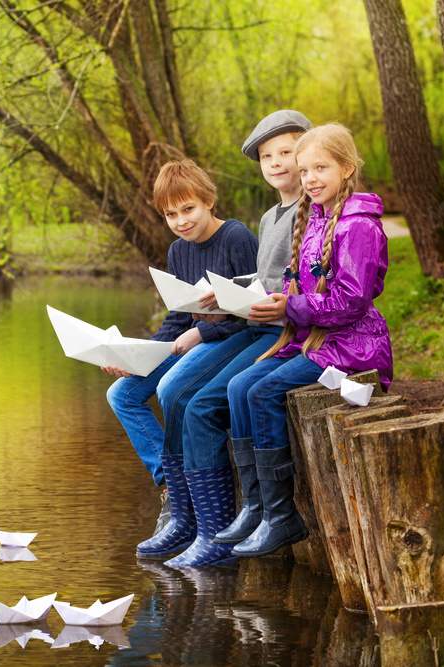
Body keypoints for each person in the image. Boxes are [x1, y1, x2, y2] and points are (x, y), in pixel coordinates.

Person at [137, 110, 314, 566]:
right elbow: (267, 277)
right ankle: (189, 516)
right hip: (256, 321)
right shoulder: (270, 217)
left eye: (286, 152)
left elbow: (301, 280)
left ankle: (222, 527)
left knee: (196, 398)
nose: (275, 163)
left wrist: (217, 314)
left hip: (274, 330)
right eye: (266, 157)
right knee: (165, 388)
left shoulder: (310, 211)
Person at [223, 122, 393, 560]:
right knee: (239, 386)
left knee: (262, 392)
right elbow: (299, 281)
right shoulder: (314, 217)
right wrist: (272, 300)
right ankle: (258, 505)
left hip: (351, 345)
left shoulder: (357, 226)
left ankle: (282, 516)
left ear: (347, 167)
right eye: (305, 170)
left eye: (321, 167)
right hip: (312, 336)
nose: (311, 178)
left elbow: (352, 301)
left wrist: (290, 309)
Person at [104, 159, 258, 536]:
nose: (181, 220)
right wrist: (138, 356)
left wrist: (201, 335)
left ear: (208, 201)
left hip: (234, 339)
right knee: (121, 394)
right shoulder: (178, 251)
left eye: (188, 209)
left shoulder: (237, 239)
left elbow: (255, 311)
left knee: (175, 390)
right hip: (191, 340)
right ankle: (172, 486)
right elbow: (177, 319)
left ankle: (197, 499)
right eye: (171, 214)